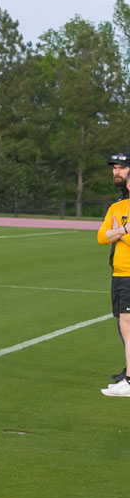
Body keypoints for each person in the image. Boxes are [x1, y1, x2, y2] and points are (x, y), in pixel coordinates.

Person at [97, 151, 130, 397]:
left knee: (128, 326)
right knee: (123, 326)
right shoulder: (118, 204)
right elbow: (101, 236)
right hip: (118, 272)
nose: (115, 172)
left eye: (120, 167)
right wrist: (122, 232)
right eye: (114, 167)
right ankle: (128, 373)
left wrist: (121, 231)